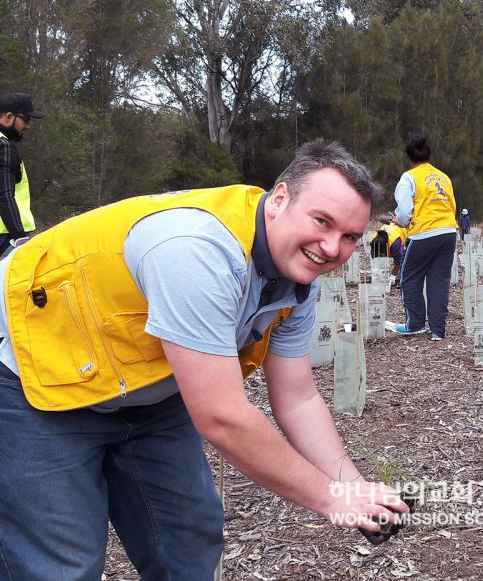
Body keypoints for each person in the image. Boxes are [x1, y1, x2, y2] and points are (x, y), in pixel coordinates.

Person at [0, 139, 409, 580]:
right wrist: (331, 499)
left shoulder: (297, 279)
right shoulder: (197, 252)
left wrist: (352, 486)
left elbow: (298, 397)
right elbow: (222, 416)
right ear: (279, 198)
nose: (332, 248)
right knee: (61, 564)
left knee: (189, 538)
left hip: (147, 389)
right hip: (38, 383)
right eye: (322, 221)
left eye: (349, 236)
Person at [391, 134, 458, 340]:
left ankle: (415, 324)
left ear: (409, 157)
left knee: (409, 277)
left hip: (423, 233)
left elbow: (403, 212)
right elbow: (452, 204)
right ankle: (438, 330)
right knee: (439, 281)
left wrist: (401, 223)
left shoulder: (409, 177)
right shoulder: (443, 177)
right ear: (428, 155)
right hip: (448, 231)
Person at [0, 92, 44, 250]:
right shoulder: (4, 147)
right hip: (7, 234)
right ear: (8, 117)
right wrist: (19, 237)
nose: (28, 125)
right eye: (26, 118)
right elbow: (4, 195)